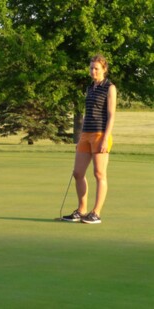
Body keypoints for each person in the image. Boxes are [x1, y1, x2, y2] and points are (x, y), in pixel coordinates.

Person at [62, 54, 116, 224]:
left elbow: (111, 114)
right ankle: (81, 209)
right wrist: (80, 137)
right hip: (86, 134)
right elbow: (87, 115)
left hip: (101, 134)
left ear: (104, 70)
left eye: (96, 68)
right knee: (77, 173)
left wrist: (105, 138)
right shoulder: (89, 88)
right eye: (91, 68)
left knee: (99, 173)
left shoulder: (110, 87)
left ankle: (96, 213)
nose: (93, 71)